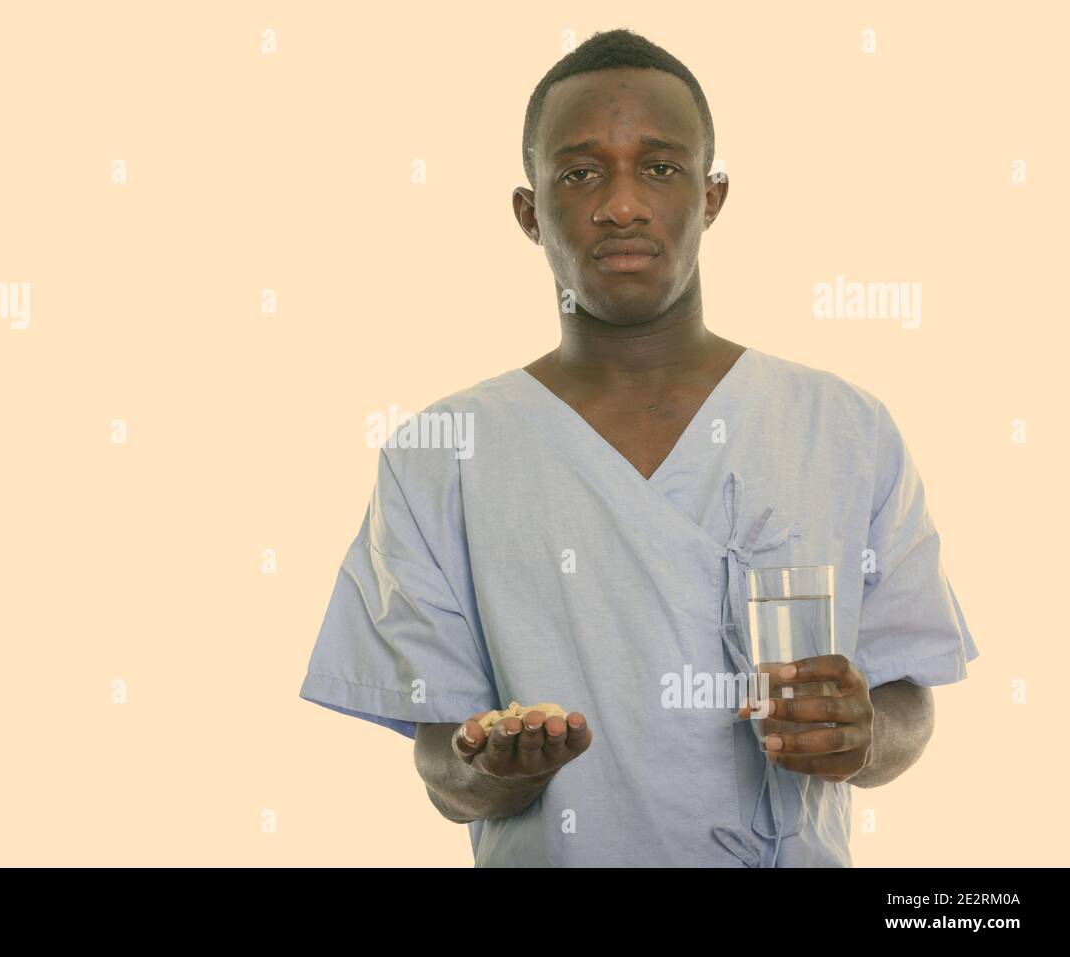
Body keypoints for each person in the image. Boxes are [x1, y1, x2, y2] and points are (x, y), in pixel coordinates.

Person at [297, 28, 977, 867]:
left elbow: (909, 698)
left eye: (660, 168)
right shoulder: (441, 453)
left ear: (714, 195)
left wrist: (862, 731)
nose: (622, 205)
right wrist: (493, 768)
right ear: (528, 210)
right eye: (580, 174)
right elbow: (442, 759)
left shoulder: (843, 428)